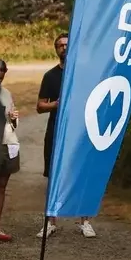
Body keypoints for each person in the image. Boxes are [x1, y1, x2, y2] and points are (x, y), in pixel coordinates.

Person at [36, 29, 95, 238]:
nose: (64, 48)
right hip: (56, 130)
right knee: (54, 176)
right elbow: (40, 106)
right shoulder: (50, 76)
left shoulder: (82, 73)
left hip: (79, 130)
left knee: (81, 174)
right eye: (60, 45)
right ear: (56, 49)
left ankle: (85, 221)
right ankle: (51, 222)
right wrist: (56, 104)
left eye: (67, 45)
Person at [0, 57, 21, 243]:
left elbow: (13, 122)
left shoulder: (6, 94)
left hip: (8, 143)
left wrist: (13, 117)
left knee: (1, 186)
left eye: (1, 78)